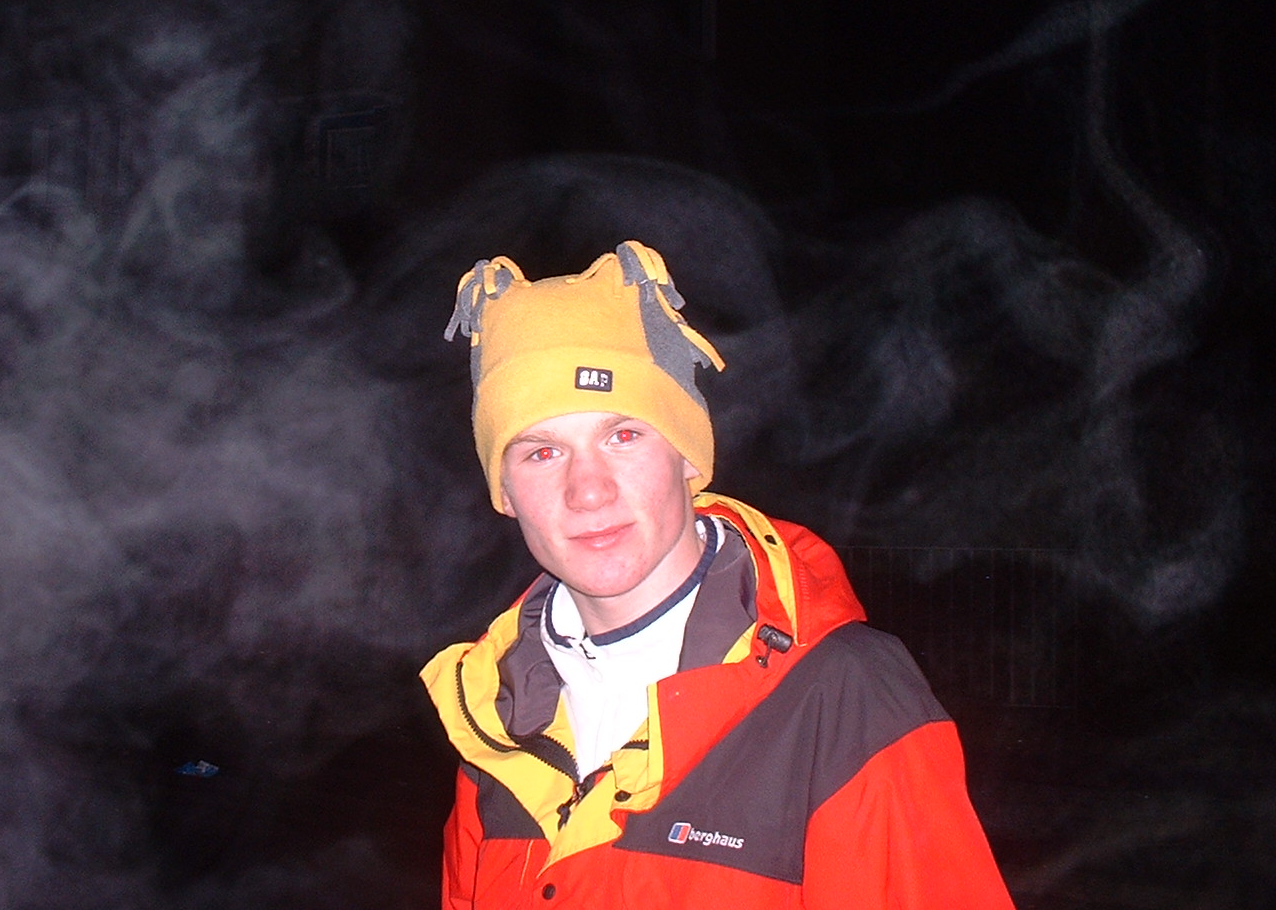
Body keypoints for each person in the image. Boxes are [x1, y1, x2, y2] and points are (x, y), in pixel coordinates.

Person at [420, 241, 1015, 909]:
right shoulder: (496, 717)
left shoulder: (844, 698)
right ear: (505, 491)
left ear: (687, 457)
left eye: (623, 436)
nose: (587, 490)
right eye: (541, 452)